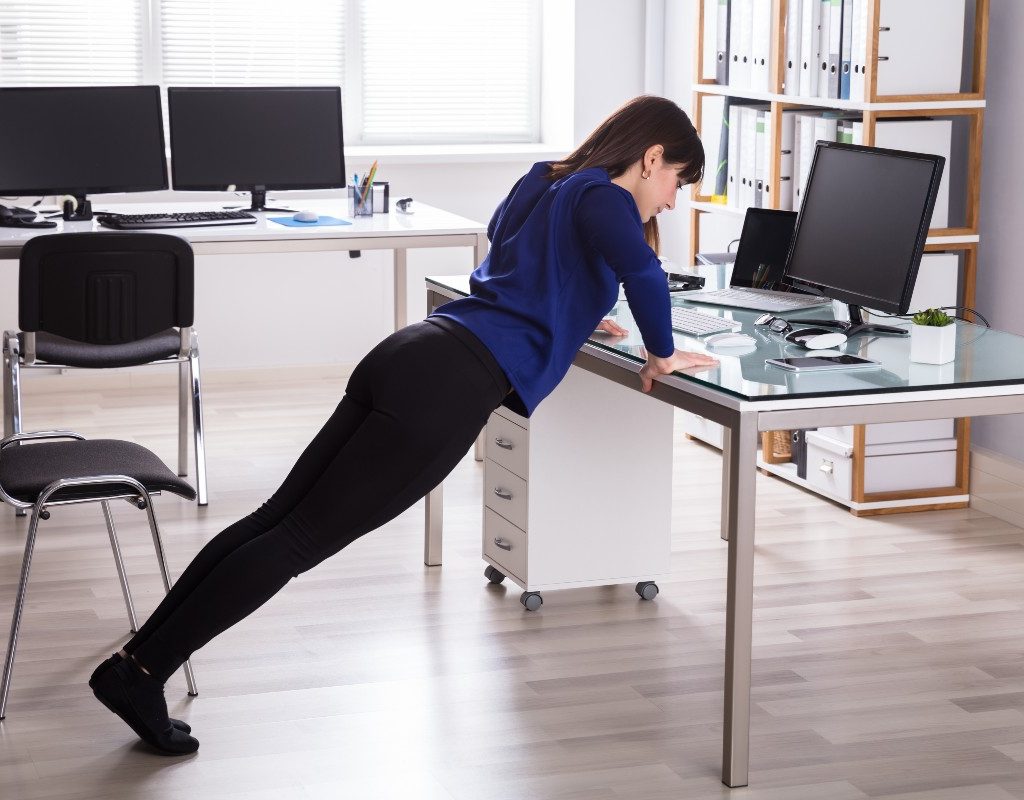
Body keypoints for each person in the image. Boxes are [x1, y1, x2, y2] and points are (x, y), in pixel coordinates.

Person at [88, 94, 719, 754]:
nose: (673, 199)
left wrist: (573, 311)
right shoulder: (608, 199)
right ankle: (140, 674)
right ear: (651, 159)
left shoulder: (548, 179)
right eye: (677, 179)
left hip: (413, 352)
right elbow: (644, 270)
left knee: (274, 520)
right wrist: (662, 352)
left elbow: (512, 252)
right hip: (451, 386)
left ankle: (135, 665)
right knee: (294, 542)